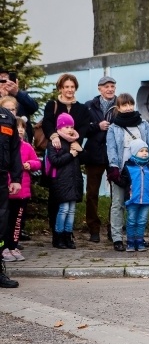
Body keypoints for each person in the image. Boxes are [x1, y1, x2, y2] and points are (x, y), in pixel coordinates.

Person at [106, 94, 149, 252]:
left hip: (141, 171)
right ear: (118, 108)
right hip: (122, 171)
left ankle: (138, 237)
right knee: (118, 204)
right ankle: (117, 238)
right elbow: (111, 148)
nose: (128, 108)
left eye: (130, 104)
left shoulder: (143, 124)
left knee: (140, 204)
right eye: (124, 105)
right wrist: (113, 168)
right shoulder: (113, 128)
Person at [41, 73, 89, 245]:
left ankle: (66, 234)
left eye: (72, 86)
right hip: (57, 151)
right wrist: (53, 135)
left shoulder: (82, 109)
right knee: (56, 199)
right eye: (66, 86)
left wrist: (77, 142)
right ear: (60, 88)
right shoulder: (53, 105)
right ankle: (56, 232)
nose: (69, 90)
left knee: (70, 202)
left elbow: (83, 127)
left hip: (73, 151)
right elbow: (47, 122)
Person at [82, 75, 117, 243]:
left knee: (116, 194)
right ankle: (93, 229)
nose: (110, 89)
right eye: (106, 86)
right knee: (92, 194)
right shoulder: (89, 106)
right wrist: (97, 126)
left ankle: (113, 228)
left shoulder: (120, 105)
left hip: (113, 155)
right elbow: (81, 130)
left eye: (112, 86)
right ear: (100, 89)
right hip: (94, 154)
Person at [3, 117, 40, 262]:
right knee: (4, 223)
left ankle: (13, 246)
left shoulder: (26, 147)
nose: (19, 130)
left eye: (22, 127)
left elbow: (37, 163)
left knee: (17, 222)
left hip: (22, 194)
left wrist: (30, 164)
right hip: (6, 193)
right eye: (16, 127)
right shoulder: (5, 148)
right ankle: (4, 247)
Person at [46, 113, 83, 249]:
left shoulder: (74, 142)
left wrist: (80, 151)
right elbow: (55, 161)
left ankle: (68, 235)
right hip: (61, 181)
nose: (70, 129)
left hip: (73, 181)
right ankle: (58, 236)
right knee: (63, 209)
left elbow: (81, 161)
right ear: (59, 128)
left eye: (71, 126)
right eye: (66, 126)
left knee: (72, 209)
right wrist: (71, 155)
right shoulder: (55, 143)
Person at [0, 103, 23, 288]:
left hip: (1, 179)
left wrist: (16, 178)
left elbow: (15, 149)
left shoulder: (7, 117)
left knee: (1, 223)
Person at [119, 139, 149, 252]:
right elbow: (123, 182)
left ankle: (139, 240)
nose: (144, 153)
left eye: (146, 151)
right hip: (132, 200)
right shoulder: (128, 167)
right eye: (141, 151)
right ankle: (130, 241)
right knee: (131, 221)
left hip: (146, 200)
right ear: (134, 152)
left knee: (142, 221)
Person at [0, 68, 38, 141]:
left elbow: (34, 107)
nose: (4, 82)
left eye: (6, 78)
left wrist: (17, 92)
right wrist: (3, 98)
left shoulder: (20, 96)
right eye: (1, 79)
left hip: (23, 139)